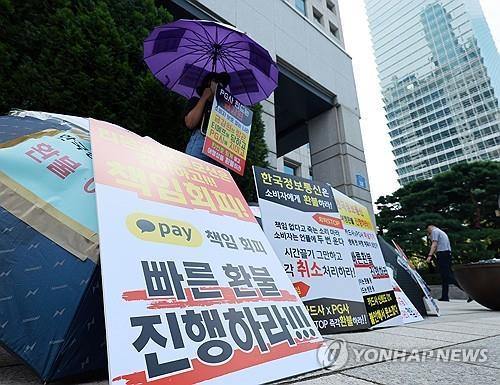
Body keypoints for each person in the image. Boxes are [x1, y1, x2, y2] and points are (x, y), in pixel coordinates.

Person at [184, 72, 230, 163]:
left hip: (219, 149)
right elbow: (190, 123)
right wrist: (204, 97)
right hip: (200, 143)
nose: (221, 87)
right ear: (209, 83)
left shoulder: (224, 110)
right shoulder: (195, 101)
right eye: (218, 82)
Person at [425, 224, 464, 301]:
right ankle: (445, 296)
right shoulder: (440, 232)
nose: (428, 232)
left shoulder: (435, 231)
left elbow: (434, 244)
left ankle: (467, 291)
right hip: (446, 254)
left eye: (427, 231)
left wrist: (429, 255)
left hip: (443, 254)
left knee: (448, 276)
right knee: (444, 277)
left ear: (429, 227)